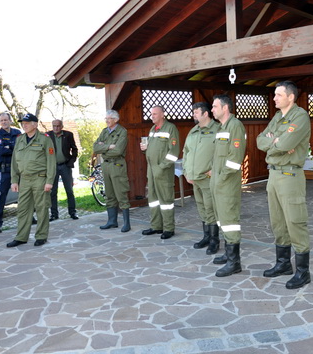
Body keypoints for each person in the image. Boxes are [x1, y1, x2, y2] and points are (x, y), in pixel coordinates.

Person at [256, 81, 312, 289]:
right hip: (274, 175)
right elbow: (259, 140)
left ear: (290, 97)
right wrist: (275, 143)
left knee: (295, 222)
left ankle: (303, 271)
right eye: (274, 95)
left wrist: (275, 142)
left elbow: (287, 144)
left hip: (290, 175)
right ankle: (283, 264)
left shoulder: (300, 116)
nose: (274, 98)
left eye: (279, 95)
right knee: (278, 222)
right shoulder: (277, 117)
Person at [209, 94, 247, 277]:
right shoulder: (221, 127)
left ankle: (234, 262)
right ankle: (227, 253)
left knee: (230, 221)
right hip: (217, 182)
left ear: (225, 108)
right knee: (221, 219)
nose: (212, 110)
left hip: (227, 183)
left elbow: (235, 157)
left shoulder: (235, 126)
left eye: (215, 107)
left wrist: (222, 177)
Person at [7, 113, 56, 248]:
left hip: (40, 178)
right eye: (23, 123)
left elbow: (51, 161)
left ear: (35, 124)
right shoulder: (20, 139)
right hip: (24, 180)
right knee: (23, 209)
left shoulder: (45, 139)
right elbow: (14, 162)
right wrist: (14, 180)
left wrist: (49, 181)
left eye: (27, 123)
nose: (24, 125)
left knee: (41, 208)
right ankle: (21, 237)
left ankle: (41, 236)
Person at [182, 102, 220, 253]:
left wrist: (214, 169)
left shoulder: (218, 130)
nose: (194, 115)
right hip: (194, 178)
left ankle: (214, 241)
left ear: (205, 114)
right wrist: (186, 171)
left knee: (211, 210)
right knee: (202, 209)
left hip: (208, 178)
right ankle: (206, 237)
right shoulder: (193, 131)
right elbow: (186, 152)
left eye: (196, 112)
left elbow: (223, 152)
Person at [140, 105, 180, 239]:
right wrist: (146, 148)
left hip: (163, 171)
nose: (152, 116)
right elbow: (154, 148)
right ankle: (156, 226)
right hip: (151, 170)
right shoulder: (153, 129)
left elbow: (173, 152)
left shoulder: (170, 128)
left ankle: (169, 228)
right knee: (153, 199)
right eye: (151, 114)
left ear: (163, 114)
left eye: (155, 114)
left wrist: (161, 167)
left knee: (166, 200)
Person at [94, 110, 131, 232]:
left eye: (109, 118)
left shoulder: (122, 131)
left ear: (115, 119)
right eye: (106, 118)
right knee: (109, 194)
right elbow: (95, 147)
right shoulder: (104, 131)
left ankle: (127, 223)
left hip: (117, 165)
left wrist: (103, 147)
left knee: (121, 194)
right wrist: (108, 146)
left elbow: (118, 151)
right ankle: (112, 221)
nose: (106, 120)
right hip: (106, 166)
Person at [0, 112, 21, 233]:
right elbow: (0, 151)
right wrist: (12, 146)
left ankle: (29, 217)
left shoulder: (17, 133)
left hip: (18, 169)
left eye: (5, 120)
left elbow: (21, 149)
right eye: (1, 120)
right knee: (1, 196)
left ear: (10, 121)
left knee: (24, 195)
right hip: (5, 170)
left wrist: (9, 146)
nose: (4, 122)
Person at [48, 119, 79, 221]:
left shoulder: (68, 135)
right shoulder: (47, 136)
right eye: (54, 126)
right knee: (53, 191)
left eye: (58, 126)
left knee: (69, 190)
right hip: (53, 167)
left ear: (61, 126)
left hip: (65, 166)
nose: (56, 128)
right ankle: (54, 214)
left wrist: (71, 162)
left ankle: (72, 212)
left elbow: (74, 149)